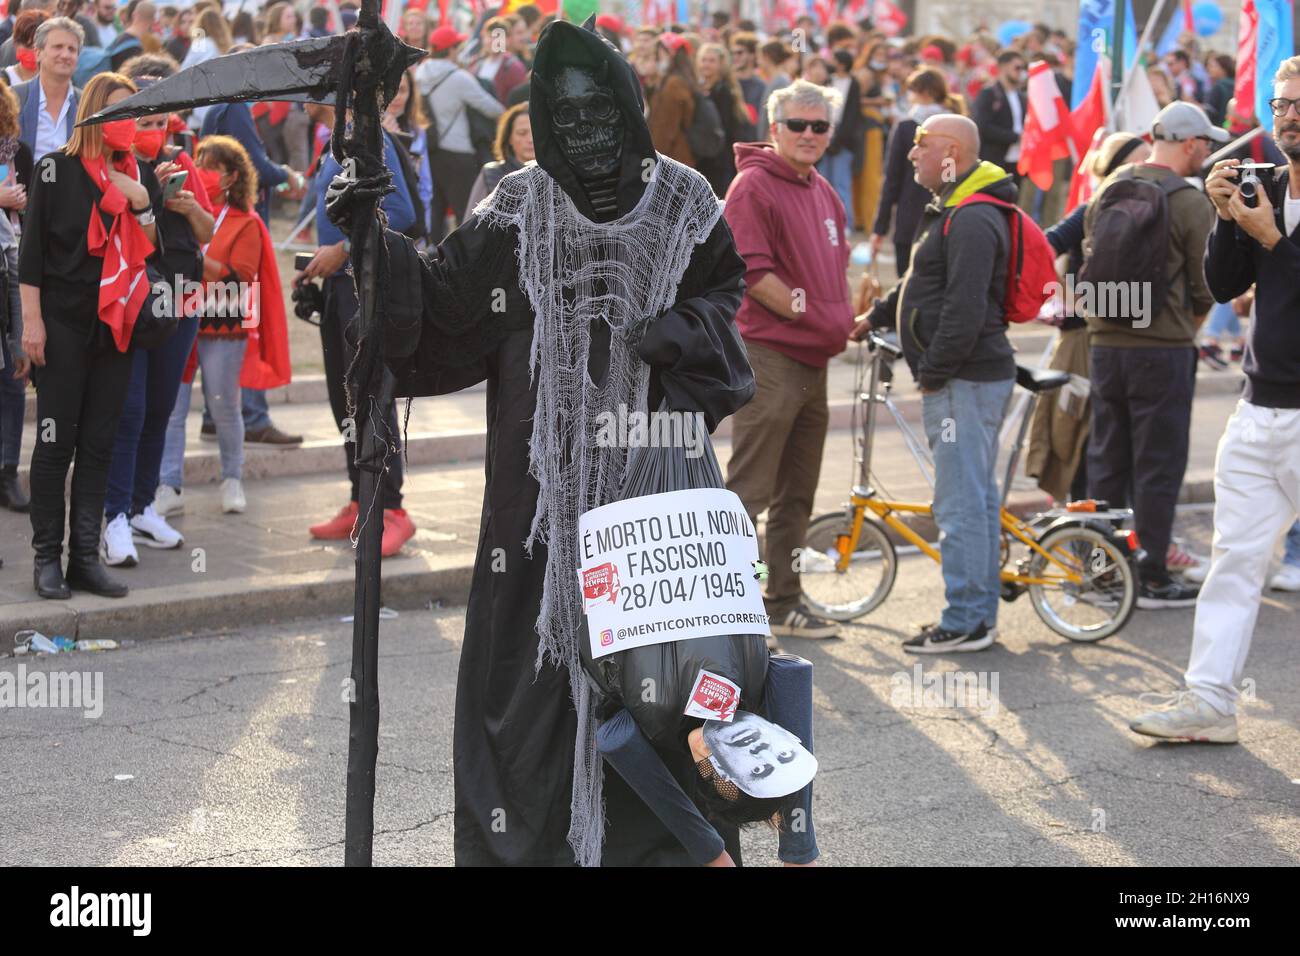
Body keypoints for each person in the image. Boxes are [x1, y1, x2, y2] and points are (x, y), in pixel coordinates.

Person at [325, 17, 754, 865]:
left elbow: (725, 296)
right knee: (528, 678)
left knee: (667, 681)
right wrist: (372, 239)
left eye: (602, 114)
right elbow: (445, 303)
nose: (587, 132)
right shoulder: (519, 204)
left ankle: (662, 850)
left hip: (652, 488)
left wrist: (677, 333)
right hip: (537, 504)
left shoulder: (686, 201)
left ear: (629, 110)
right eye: (567, 118)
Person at [1129, 62, 1300, 743]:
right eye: (1283, 104)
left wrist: (1273, 242)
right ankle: (1209, 701)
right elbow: (1226, 283)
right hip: (1259, 412)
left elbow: (1280, 265)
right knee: (1233, 563)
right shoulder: (1269, 186)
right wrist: (1227, 215)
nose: (1289, 115)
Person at [857, 114, 1018, 653]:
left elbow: (965, 307)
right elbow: (920, 280)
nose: (910, 155)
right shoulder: (952, 206)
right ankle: (978, 614)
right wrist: (879, 315)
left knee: (960, 504)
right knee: (974, 499)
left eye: (919, 145)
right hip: (964, 380)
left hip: (963, 382)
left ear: (949, 150)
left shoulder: (970, 216)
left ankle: (967, 619)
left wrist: (931, 374)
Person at [20, 71, 161, 600]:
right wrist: (31, 324)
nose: (129, 124)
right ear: (96, 114)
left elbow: (154, 247)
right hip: (61, 323)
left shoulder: (134, 171)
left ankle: (84, 558)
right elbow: (31, 259)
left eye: (135, 114)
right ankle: (45, 560)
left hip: (114, 328)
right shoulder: (54, 170)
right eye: (121, 113)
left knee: (99, 445)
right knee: (55, 445)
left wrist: (142, 201)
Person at [723, 80, 853, 641]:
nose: (808, 134)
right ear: (773, 128)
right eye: (797, 125)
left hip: (815, 361)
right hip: (772, 355)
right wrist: (810, 312)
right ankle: (729, 611)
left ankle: (783, 600)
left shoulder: (823, 189)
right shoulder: (754, 185)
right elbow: (751, 271)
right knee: (749, 492)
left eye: (818, 126)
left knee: (797, 494)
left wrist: (841, 312)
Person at [1083, 101, 1220, 609]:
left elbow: (1087, 254)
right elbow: (1208, 282)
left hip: (1104, 346)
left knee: (1105, 463)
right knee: (1158, 465)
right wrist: (1189, 321)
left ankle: (1101, 571)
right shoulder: (1188, 200)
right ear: (1190, 144)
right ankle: (1154, 574)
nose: (1208, 151)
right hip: (1162, 351)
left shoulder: (1110, 187)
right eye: (1206, 143)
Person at [100, 53, 213, 565]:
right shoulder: (113, 163)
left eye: (159, 121)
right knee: (130, 408)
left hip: (182, 297)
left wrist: (185, 204)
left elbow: (211, 232)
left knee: (163, 409)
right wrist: (145, 199)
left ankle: (144, 505)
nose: (151, 130)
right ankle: (114, 515)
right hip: (134, 299)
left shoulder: (181, 161)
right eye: (142, 120)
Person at [302, 107, 416, 556]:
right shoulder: (334, 144)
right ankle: (360, 498)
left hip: (363, 288)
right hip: (339, 287)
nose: (304, 97)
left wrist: (344, 249)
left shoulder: (366, 139)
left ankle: (392, 509)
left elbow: (403, 213)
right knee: (343, 399)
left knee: (371, 397)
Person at [158, 134, 291, 516]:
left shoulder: (245, 221)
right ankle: (169, 485)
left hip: (224, 323)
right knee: (173, 408)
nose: (200, 172)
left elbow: (242, 276)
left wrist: (196, 260)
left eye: (211, 167)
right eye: (197, 163)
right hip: (182, 315)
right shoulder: (180, 209)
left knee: (223, 405)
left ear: (231, 177)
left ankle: (232, 478)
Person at [1026, 133, 1150, 505]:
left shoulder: (1145, 211)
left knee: (1113, 444)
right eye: (1139, 162)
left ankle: (1107, 538)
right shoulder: (1093, 208)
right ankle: (1084, 537)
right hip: (1083, 343)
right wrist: (1073, 298)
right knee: (1079, 440)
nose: (1147, 170)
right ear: (1114, 169)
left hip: (1120, 341)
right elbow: (1044, 245)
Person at [416, 23, 502, 242]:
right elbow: (492, 109)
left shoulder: (419, 73)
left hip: (430, 150)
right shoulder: (459, 77)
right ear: (452, 49)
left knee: (435, 210)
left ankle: (432, 259)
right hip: (458, 152)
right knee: (466, 212)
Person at [871, 66, 961, 272]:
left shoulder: (906, 128)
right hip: (948, 217)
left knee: (907, 287)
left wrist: (879, 228)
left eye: (913, 90)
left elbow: (891, 181)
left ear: (926, 92)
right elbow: (956, 175)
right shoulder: (957, 127)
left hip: (910, 217)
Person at [0, 81, 31, 514]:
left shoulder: (17, 154)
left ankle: (7, 473)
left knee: (14, 378)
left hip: (12, 266)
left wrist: (18, 204)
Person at [14, 15, 81, 161]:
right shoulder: (13, 99)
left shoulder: (86, 104)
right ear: (38, 53)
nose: (65, 55)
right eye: (58, 47)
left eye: (72, 49)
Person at [694, 42, 752, 197]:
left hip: (720, 160)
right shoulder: (702, 88)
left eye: (711, 61)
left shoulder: (723, 91)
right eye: (704, 59)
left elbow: (724, 128)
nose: (706, 64)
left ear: (721, 65)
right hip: (707, 158)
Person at [815, 49, 862, 232]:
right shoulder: (829, 80)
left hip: (843, 141)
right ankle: (824, 221)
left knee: (841, 184)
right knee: (824, 181)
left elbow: (852, 114)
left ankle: (844, 223)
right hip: (824, 135)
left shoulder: (853, 83)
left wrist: (838, 140)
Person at [465, 100, 532, 211]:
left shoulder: (559, 174)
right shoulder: (491, 173)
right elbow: (471, 221)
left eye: (536, 133)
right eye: (522, 133)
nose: (530, 139)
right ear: (509, 137)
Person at [972, 49, 1025, 178]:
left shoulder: (1021, 96)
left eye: (1022, 68)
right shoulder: (988, 93)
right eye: (1017, 68)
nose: (1021, 72)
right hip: (994, 159)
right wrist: (1015, 137)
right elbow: (982, 126)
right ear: (1003, 67)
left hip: (1017, 160)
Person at [647, 32, 697, 168]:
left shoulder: (673, 84)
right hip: (675, 157)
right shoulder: (677, 80)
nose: (656, 59)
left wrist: (653, 160)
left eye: (659, 54)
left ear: (671, 55)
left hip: (672, 159)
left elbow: (665, 128)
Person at [472, 14, 527, 106]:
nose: (493, 41)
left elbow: (518, 102)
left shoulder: (514, 67)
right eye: (490, 36)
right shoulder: (476, 64)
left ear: (508, 39)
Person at [754, 37, 792, 141]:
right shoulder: (775, 81)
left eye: (759, 58)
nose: (758, 62)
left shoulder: (781, 83)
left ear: (767, 57)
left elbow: (777, 120)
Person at [3, 8, 48, 86]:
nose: (33, 51)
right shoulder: (3, 80)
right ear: (15, 43)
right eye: (28, 46)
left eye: (37, 46)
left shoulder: (58, 79)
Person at [727, 30, 763, 122]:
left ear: (752, 55)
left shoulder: (761, 86)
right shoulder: (726, 84)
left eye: (739, 53)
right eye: (733, 53)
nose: (735, 57)